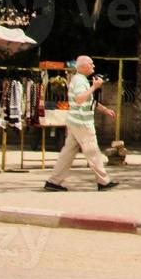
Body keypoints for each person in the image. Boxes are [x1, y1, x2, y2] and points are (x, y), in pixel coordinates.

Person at [43, 55, 118, 191]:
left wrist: (105, 109)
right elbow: (79, 99)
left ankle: (53, 181)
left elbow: (88, 100)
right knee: (93, 152)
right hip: (82, 122)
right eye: (91, 64)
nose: (93, 67)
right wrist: (94, 87)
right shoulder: (79, 81)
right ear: (83, 66)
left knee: (68, 153)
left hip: (75, 122)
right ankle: (103, 181)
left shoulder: (81, 80)